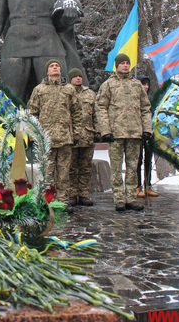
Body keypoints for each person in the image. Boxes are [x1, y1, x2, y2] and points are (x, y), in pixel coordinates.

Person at [95, 54, 150, 212]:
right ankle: (119, 198)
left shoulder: (136, 85)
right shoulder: (108, 85)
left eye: (127, 63)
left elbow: (145, 108)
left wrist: (146, 129)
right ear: (116, 65)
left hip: (134, 132)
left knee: (133, 167)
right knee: (117, 168)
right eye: (122, 63)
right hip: (115, 133)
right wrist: (105, 130)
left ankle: (131, 197)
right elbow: (101, 108)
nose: (125, 66)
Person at [27, 60, 82, 211]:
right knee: (47, 173)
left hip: (65, 138)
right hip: (46, 139)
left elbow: (77, 112)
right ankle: (48, 202)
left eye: (57, 65)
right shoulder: (39, 89)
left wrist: (76, 133)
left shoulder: (69, 89)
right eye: (51, 66)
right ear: (47, 71)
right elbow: (32, 113)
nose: (55, 67)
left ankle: (63, 202)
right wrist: (34, 135)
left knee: (64, 174)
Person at [66, 68, 96, 207]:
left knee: (85, 167)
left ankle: (83, 194)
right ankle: (72, 194)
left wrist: (99, 131)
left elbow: (95, 114)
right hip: (71, 136)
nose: (78, 78)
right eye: (75, 76)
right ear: (70, 78)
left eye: (80, 76)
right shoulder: (66, 92)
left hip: (87, 135)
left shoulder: (90, 94)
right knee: (71, 167)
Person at [135, 76, 159, 198]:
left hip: (149, 133)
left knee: (148, 160)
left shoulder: (150, 99)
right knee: (138, 160)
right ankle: (137, 186)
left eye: (147, 84)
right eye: (143, 84)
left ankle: (148, 185)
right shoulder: (135, 98)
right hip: (138, 132)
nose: (146, 86)